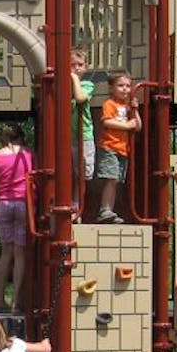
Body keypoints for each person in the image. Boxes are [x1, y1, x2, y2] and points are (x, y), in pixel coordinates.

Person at [0, 123, 33, 313]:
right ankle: (15, 303)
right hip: (23, 204)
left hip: (3, 204)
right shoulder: (29, 154)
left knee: (6, 253)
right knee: (20, 253)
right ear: (20, 136)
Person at [92, 72, 140, 223]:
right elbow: (106, 122)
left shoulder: (127, 106)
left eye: (127, 86)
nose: (125, 89)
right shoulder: (109, 104)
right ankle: (105, 209)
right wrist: (126, 125)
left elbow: (138, 126)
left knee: (116, 181)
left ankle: (109, 210)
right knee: (111, 178)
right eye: (120, 85)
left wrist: (135, 110)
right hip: (109, 147)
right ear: (111, 88)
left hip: (122, 149)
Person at [71, 48, 99, 220]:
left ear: (85, 67)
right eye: (72, 65)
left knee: (83, 173)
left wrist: (73, 78)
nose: (76, 68)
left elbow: (80, 98)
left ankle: (78, 206)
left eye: (80, 65)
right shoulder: (64, 86)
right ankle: (74, 205)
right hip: (70, 136)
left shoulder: (87, 85)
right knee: (71, 172)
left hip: (84, 136)